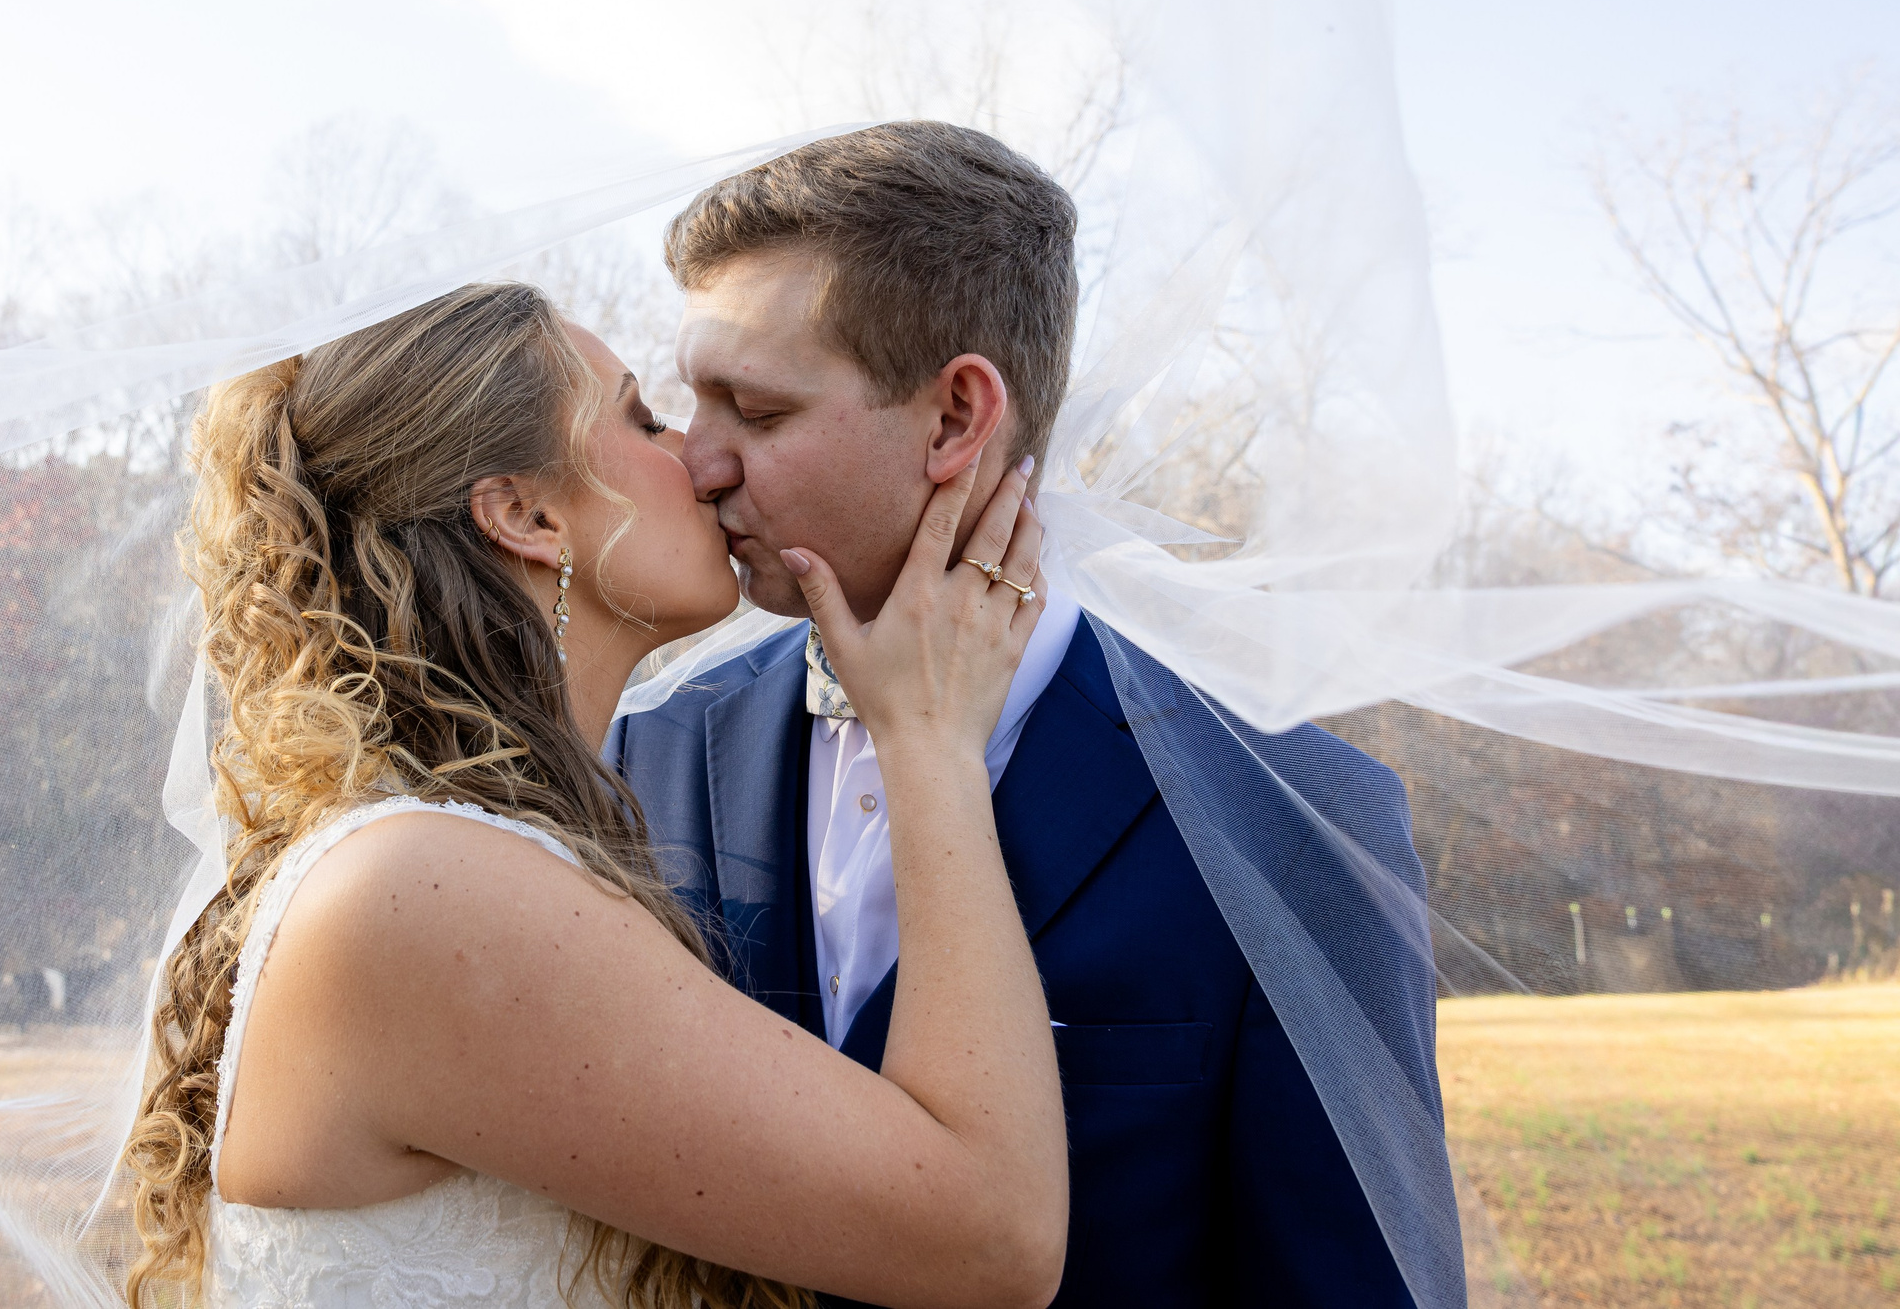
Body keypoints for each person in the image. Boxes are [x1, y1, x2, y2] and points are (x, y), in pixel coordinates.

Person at [611, 123, 1439, 1308]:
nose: (698, 464)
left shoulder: (1292, 819)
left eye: (757, 409)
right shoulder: (645, 755)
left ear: (954, 418)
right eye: (696, 401)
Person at [126, 280, 1071, 1309]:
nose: (699, 460)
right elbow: (991, 1238)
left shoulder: (471, 858)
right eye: (641, 416)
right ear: (526, 514)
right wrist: (930, 739)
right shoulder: (429, 890)